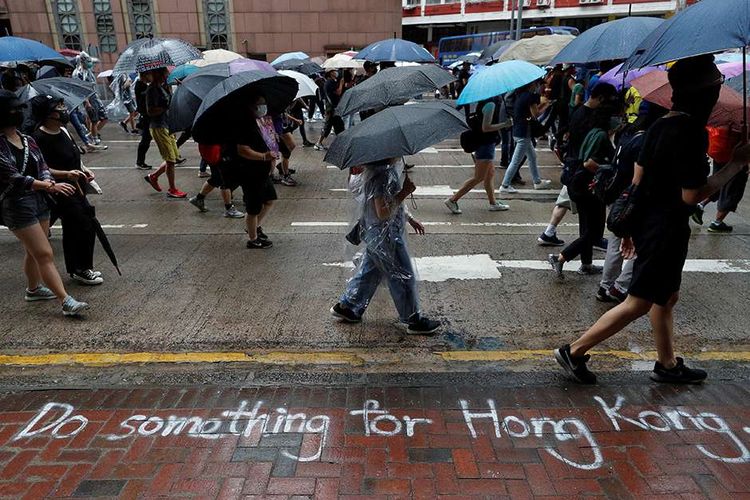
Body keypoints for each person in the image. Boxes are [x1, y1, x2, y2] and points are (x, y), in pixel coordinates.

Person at [555, 55, 750, 385]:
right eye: (715, 86)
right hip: (666, 229)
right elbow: (691, 196)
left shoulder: (660, 125)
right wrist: (734, 165)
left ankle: (667, 363)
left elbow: (637, 179)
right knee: (639, 302)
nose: (718, 93)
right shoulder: (690, 132)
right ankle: (574, 351)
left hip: (649, 223)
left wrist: (630, 227)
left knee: (666, 296)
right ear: (703, 94)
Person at [0, 90, 89, 316]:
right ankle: (66, 301)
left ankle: (33, 289)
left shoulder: (26, 139)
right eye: (14, 109)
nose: (19, 112)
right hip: (17, 205)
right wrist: (50, 186)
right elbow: (13, 177)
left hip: (39, 202)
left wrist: (52, 180)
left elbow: (42, 167)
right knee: (44, 253)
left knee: (33, 252)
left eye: (21, 108)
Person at [331, 158, 441, 335]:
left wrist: (409, 218)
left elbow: (386, 205)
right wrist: (404, 191)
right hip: (386, 236)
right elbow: (383, 212)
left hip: (377, 234)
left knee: (369, 272)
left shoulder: (377, 172)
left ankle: (348, 306)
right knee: (403, 275)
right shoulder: (382, 176)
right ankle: (413, 319)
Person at [596, 102, 667, 304]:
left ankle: (606, 285)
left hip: (616, 195)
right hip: (631, 198)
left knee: (616, 244)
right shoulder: (645, 141)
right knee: (644, 245)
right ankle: (620, 287)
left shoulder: (628, 132)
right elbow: (639, 177)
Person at [31, 95, 104, 286]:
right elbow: (41, 168)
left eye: (63, 105)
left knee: (83, 224)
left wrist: (84, 170)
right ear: (48, 114)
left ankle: (81, 267)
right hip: (56, 189)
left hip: (75, 187)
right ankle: (79, 269)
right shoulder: (38, 137)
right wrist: (65, 174)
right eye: (59, 107)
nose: (64, 109)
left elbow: (75, 155)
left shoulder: (63, 130)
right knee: (80, 224)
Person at [538, 83, 619, 246]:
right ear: (601, 98)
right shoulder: (590, 117)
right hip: (581, 170)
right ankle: (587, 242)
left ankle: (551, 232)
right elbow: (591, 150)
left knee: (568, 202)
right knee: (585, 211)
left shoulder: (578, 111)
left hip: (573, 167)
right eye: (607, 102)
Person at [548, 105, 618, 279]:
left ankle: (586, 264)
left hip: (578, 184)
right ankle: (561, 258)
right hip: (589, 187)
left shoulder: (593, 132)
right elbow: (589, 163)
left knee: (587, 228)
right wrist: (608, 169)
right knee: (594, 233)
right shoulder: (601, 136)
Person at [227, 95, 279, 249]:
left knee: (269, 199)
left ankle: (254, 226)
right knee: (253, 207)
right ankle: (253, 239)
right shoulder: (244, 124)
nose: (263, 106)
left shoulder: (261, 121)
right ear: (251, 106)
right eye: (259, 104)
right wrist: (263, 156)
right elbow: (242, 150)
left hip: (262, 171)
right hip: (250, 172)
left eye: (264, 103)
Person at [444, 98, 512, 214]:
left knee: (489, 174)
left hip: (485, 144)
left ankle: (493, 203)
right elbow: (486, 127)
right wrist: (504, 124)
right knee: (479, 177)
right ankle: (452, 200)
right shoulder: (490, 104)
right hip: (485, 145)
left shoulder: (482, 102)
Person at [499, 80, 552, 193]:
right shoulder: (530, 96)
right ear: (531, 84)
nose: (537, 86)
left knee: (532, 157)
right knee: (515, 160)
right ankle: (505, 185)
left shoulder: (520, 95)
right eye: (536, 84)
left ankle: (537, 181)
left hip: (518, 130)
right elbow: (535, 114)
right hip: (524, 133)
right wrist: (546, 105)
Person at [692, 126, 747, 233]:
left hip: (720, 152)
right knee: (733, 189)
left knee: (718, 180)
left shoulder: (723, 118)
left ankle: (701, 204)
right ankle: (717, 223)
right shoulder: (743, 119)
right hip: (736, 157)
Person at [143, 67, 186, 198]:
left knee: (173, 158)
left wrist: (178, 88)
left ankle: (154, 176)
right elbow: (150, 111)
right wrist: (165, 107)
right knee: (171, 160)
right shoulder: (152, 90)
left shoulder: (163, 87)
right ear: (159, 74)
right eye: (166, 73)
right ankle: (172, 189)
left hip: (167, 125)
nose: (168, 74)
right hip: (159, 127)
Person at [72, 52, 108, 144]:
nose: (90, 63)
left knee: (104, 118)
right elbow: (80, 89)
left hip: (95, 98)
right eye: (88, 61)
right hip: (88, 99)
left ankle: (91, 134)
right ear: (82, 61)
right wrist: (87, 102)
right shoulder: (78, 73)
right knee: (94, 119)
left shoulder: (88, 72)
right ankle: (94, 138)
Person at [313, 70, 345, 151]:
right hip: (331, 108)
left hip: (333, 108)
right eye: (334, 71)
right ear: (330, 73)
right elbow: (338, 92)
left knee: (339, 126)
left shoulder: (332, 81)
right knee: (328, 126)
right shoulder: (329, 82)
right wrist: (341, 83)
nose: (336, 72)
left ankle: (341, 143)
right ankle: (318, 143)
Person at [134, 73, 152, 170]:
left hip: (147, 116)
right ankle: (140, 162)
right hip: (145, 116)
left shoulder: (144, 85)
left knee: (147, 139)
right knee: (145, 139)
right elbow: (143, 100)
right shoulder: (140, 85)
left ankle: (140, 161)